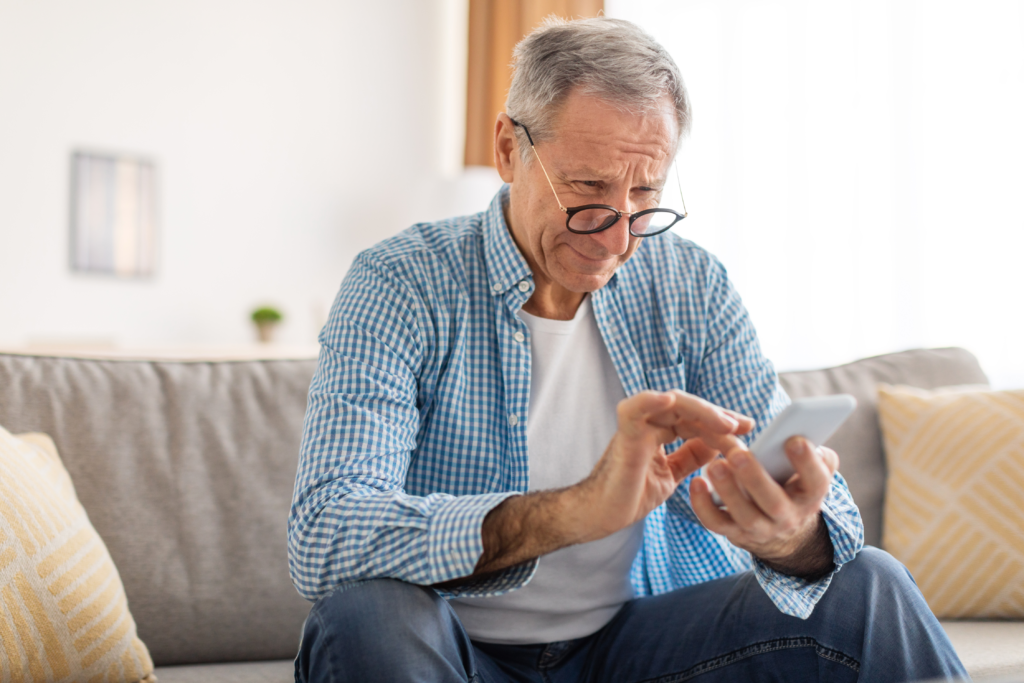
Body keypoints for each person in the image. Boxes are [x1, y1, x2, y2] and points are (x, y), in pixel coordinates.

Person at [288, 16, 967, 683]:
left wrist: (789, 535)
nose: (617, 238)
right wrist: (576, 510)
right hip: (455, 647)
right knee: (365, 613)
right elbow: (326, 529)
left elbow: (825, 515)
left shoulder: (689, 282)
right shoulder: (401, 282)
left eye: (644, 194)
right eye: (586, 189)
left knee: (869, 583)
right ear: (507, 148)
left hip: (642, 646)